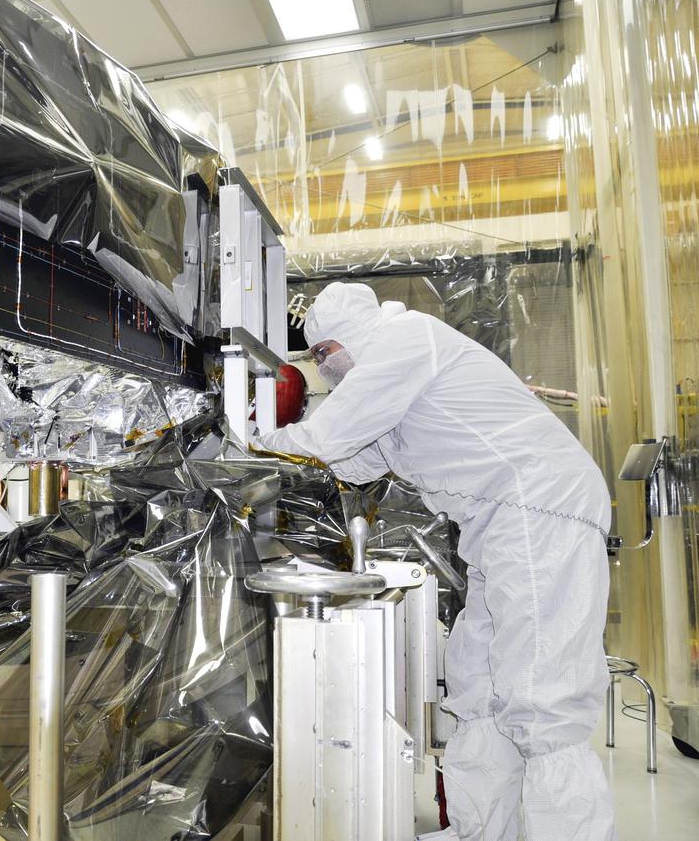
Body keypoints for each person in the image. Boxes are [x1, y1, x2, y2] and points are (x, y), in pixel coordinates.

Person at [256, 283, 616, 841]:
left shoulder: (406, 340)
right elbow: (353, 460)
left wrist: (248, 437)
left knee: (542, 691)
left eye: (325, 353)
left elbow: (329, 435)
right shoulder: (389, 390)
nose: (325, 369)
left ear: (352, 333)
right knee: (478, 679)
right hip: (502, 524)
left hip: (542, 507)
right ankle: (481, 831)